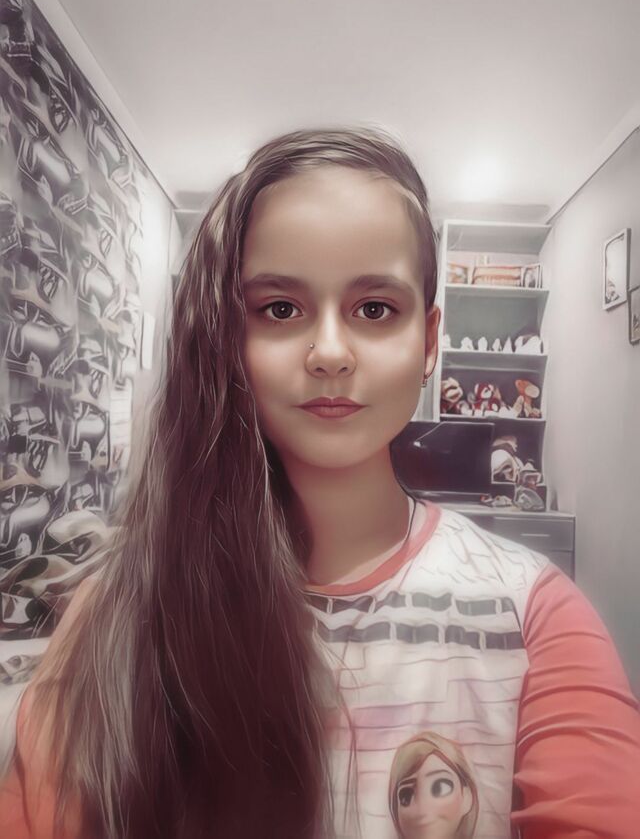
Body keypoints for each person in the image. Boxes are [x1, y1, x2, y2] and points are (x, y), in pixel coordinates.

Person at [0, 126, 639, 839]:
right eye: (280, 309)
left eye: (375, 309)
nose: (330, 353)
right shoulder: (118, 612)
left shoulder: (533, 614)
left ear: (429, 341)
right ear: (230, 337)